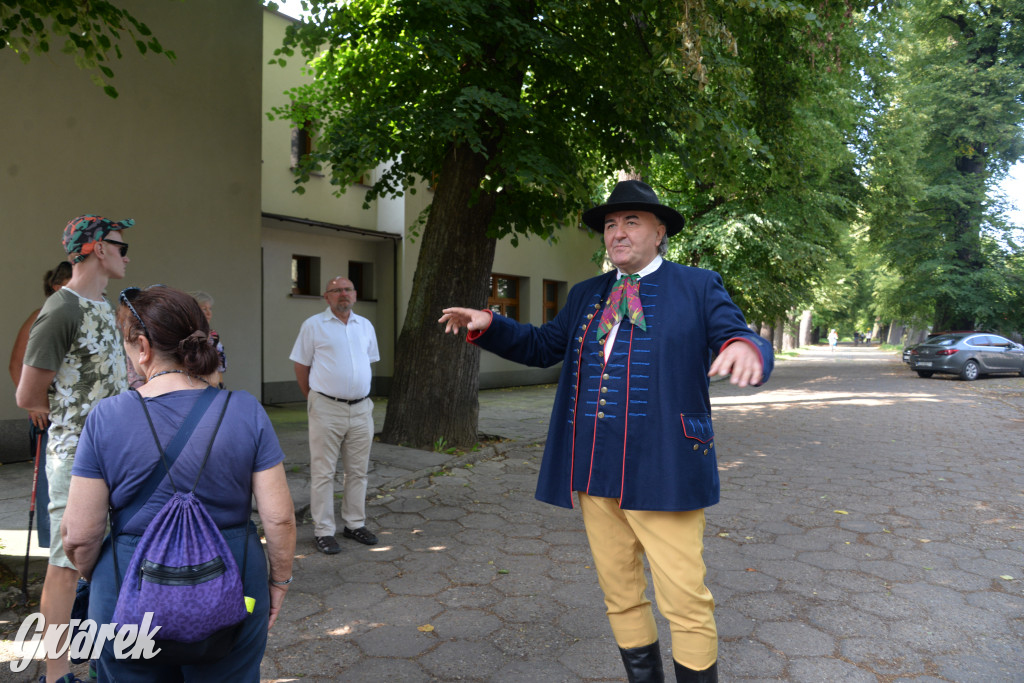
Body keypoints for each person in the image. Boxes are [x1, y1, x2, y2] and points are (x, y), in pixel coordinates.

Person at [440, 180, 774, 683]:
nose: (617, 232)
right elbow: (543, 346)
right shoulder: (586, 294)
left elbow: (736, 333)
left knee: (685, 600)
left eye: (631, 222)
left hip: (665, 467)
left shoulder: (698, 285)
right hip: (595, 468)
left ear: (659, 232)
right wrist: (489, 322)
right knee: (620, 596)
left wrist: (747, 347)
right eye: (611, 224)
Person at [61, 285, 297, 681]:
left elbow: (80, 535)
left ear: (142, 347)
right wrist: (279, 580)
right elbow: (280, 519)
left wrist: (96, 579)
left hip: (127, 581)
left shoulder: (106, 417)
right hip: (235, 578)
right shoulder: (246, 410)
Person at [16, 215, 134, 683]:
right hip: (77, 459)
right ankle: (56, 674)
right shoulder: (61, 309)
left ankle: (110, 660)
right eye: (121, 247)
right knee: (65, 566)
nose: (127, 256)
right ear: (97, 249)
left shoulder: (104, 305)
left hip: (117, 455)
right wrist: (76, 418)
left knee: (109, 559)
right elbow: (27, 396)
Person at [290, 276, 380, 554]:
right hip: (327, 407)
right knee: (323, 472)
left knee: (358, 472)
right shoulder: (313, 325)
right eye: (336, 290)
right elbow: (301, 365)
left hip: (361, 408)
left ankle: (354, 523)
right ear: (326, 297)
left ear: (355, 294)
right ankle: (324, 530)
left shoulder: (365, 325)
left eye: (347, 289)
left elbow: (368, 362)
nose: (343, 294)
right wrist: (314, 398)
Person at [9, 261, 72, 548]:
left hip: (75, 412)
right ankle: (52, 544)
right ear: (57, 287)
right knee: (50, 481)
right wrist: (34, 406)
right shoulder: (39, 316)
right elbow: (16, 365)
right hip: (48, 414)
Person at [191, 291, 226, 387]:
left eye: (210, 309)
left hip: (213, 387)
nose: (208, 313)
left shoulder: (214, 336)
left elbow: (220, 366)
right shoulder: (186, 336)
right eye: (204, 309)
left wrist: (220, 387)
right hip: (192, 386)